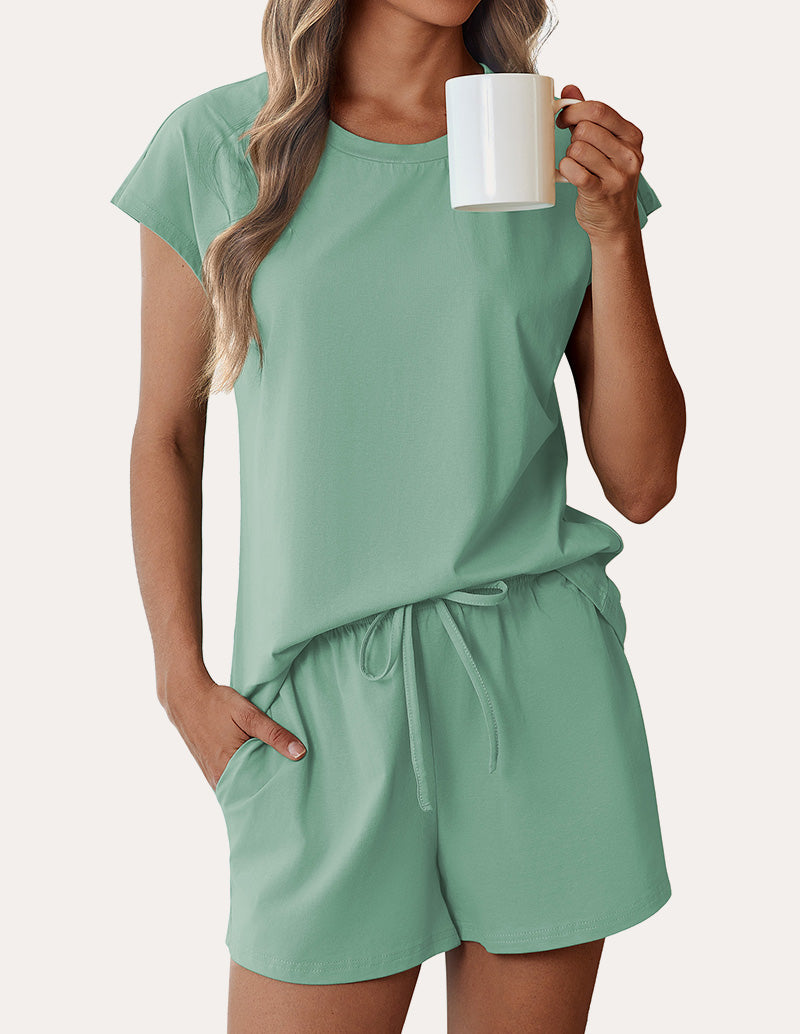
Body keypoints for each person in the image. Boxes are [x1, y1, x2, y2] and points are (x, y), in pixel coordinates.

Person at [110, 0, 685, 1030]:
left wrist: (611, 233)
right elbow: (168, 433)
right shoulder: (218, 146)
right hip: (314, 720)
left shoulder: (556, 154)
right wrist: (179, 679)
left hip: (539, 693)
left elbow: (641, 482)